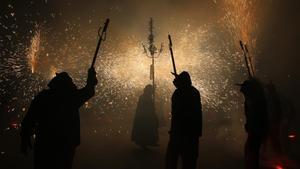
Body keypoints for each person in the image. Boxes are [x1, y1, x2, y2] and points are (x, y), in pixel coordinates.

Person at [20, 68, 98, 169]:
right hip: (64, 146)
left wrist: (24, 139)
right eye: (71, 82)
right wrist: (91, 77)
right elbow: (88, 91)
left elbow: (28, 120)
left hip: (44, 145)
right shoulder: (69, 98)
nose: (74, 85)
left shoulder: (42, 97)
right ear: (65, 85)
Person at [165, 71, 202, 169]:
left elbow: (179, 109)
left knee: (172, 160)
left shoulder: (180, 93)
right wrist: (179, 81)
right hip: (192, 133)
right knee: (189, 161)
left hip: (181, 132)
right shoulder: (194, 91)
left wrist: (178, 83)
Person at [239, 78, 268, 169]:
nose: (241, 91)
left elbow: (255, 116)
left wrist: (250, 126)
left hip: (256, 130)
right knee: (251, 150)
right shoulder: (254, 99)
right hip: (256, 129)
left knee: (251, 151)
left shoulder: (254, 100)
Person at [131, 84, 159, 149]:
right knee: (145, 130)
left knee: (146, 130)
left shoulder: (145, 96)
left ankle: (146, 142)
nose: (152, 92)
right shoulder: (145, 97)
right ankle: (144, 143)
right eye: (151, 91)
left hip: (144, 116)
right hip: (144, 116)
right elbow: (147, 107)